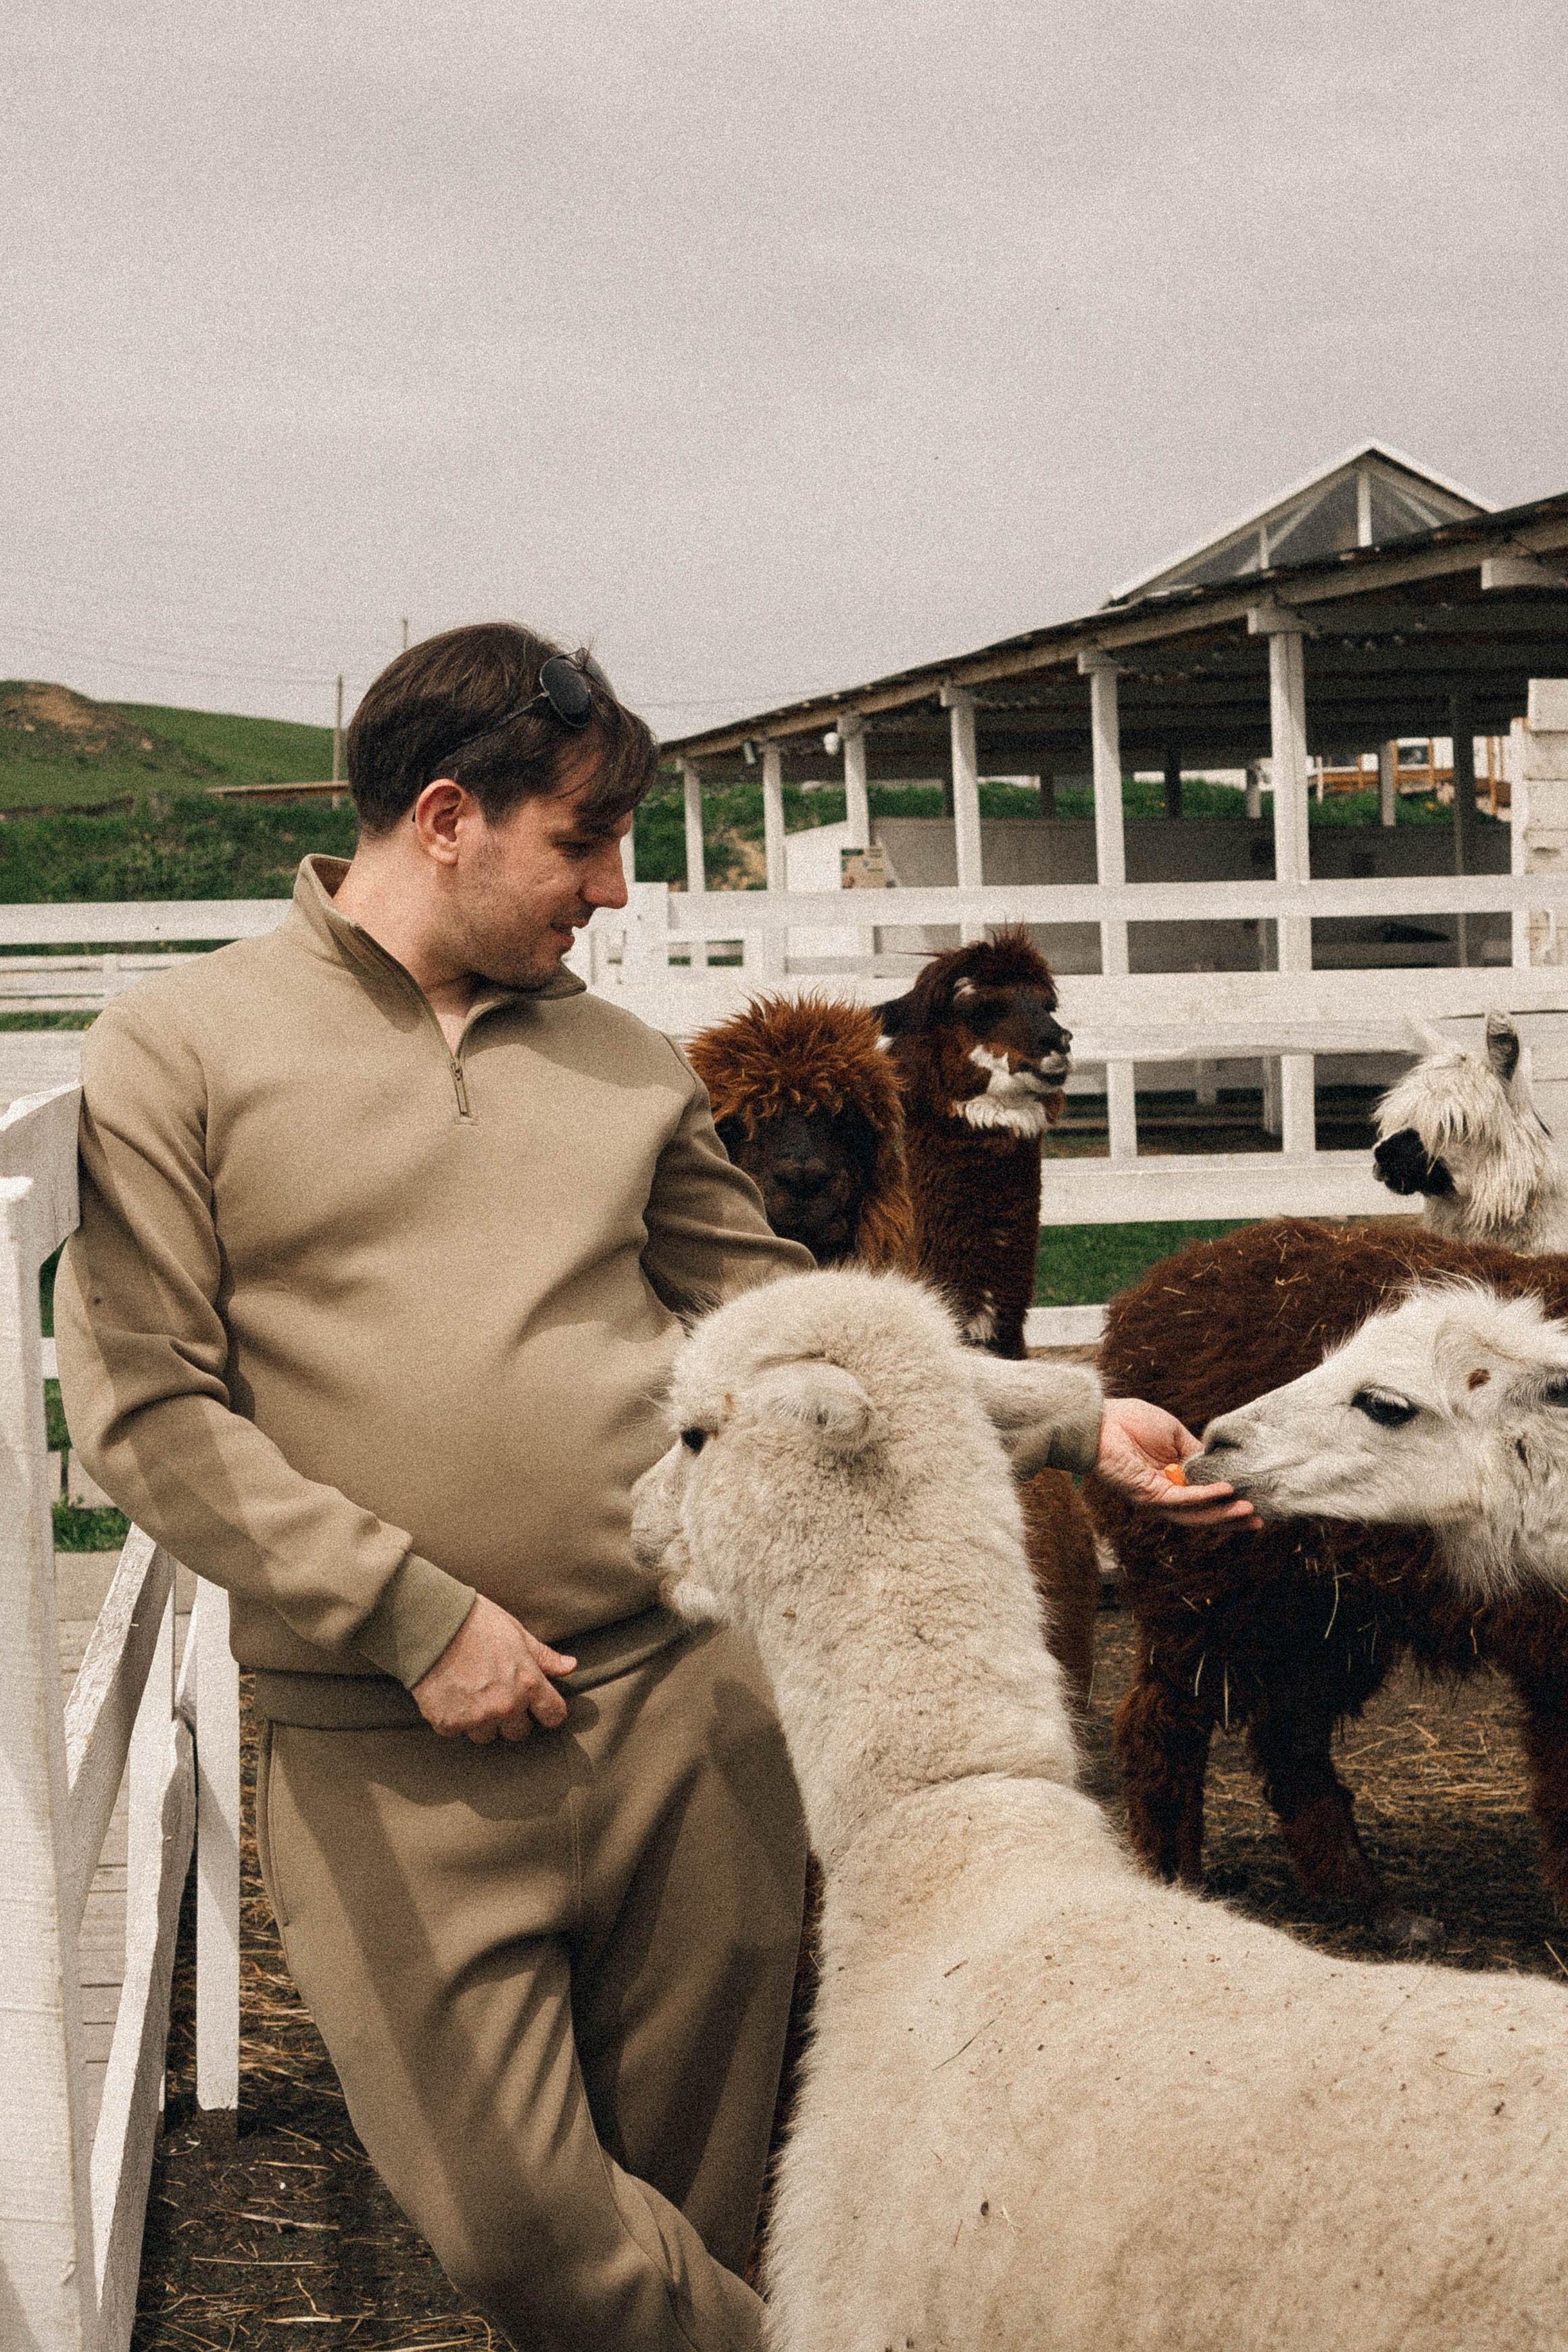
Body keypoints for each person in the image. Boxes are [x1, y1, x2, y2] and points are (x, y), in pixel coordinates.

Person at [55, 621, 1254, 2352]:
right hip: (389, 1746)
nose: (614, 891)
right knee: (527, 2238)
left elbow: (790, 1325)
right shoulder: (179, 1051)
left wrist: (1071, 1418)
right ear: (448, 814)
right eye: (582, 841)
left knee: (702, 2217)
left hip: (687, 1717)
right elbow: (149, 1411)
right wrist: (411, 1615)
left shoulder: (619, 1066)